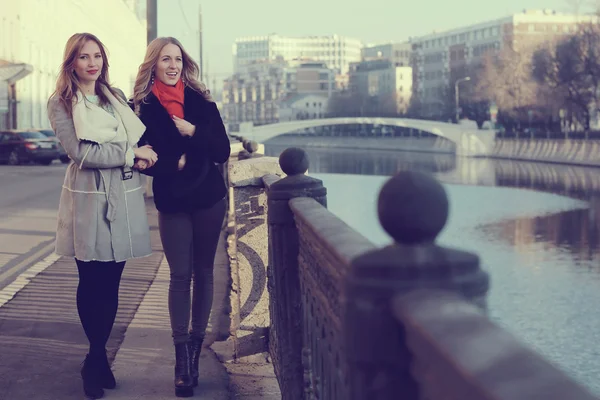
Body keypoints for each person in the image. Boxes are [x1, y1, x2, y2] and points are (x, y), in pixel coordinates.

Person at [47, 33, 157, 399]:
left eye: (97, 56)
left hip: (123, 196)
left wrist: (140, 154)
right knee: (91, 279)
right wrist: (129, 155)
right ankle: (96, 359)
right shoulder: (62, 102)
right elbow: (81, 153)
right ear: (72, 63)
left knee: (111, 283)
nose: (92, 63)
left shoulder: (115, 98)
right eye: (83, 57)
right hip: (89, 198)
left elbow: (130, 140)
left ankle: (96, 358)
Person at [132, 37, 230, 398]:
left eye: (177, 59)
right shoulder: (141, 107)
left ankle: (193, 356)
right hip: (172, 199)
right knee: (180, 275)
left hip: (208, 198)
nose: (172, 65)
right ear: (153, 65)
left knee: (204, 273)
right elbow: (141, 157)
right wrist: (176, 162)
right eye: (164, 59)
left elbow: (222, 149)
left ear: (184, 64)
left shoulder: (202, 103)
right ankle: (179, 357)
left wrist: (193, 132)